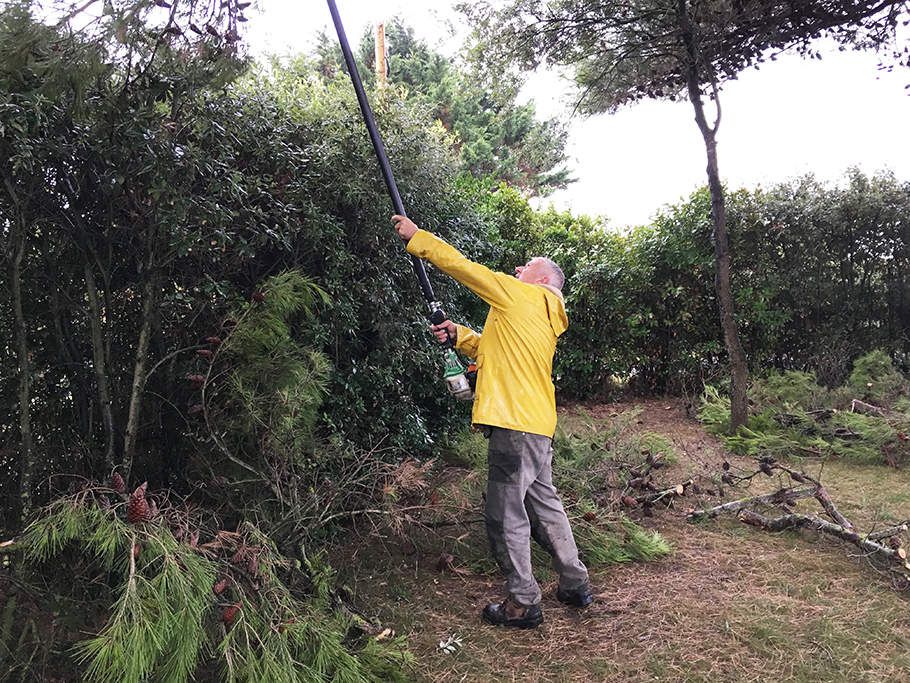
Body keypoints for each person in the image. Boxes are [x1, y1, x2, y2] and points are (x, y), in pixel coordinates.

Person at [392, 214, 592, 630]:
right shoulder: (541, 314)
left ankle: (522, 601)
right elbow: (492, 350)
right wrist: (458, 333)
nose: (517, 271)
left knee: (505, 514)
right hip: (537, 426)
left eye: (526, 268)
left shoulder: (522, 296)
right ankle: (574, 583)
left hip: (514, 425)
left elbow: (467, 269)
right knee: (545, 504)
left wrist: (418, 238)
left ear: (540, 281)